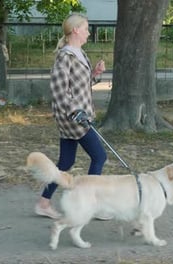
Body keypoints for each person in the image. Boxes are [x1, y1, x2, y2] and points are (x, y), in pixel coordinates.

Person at [34, 13, 107, 219]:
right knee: (99, 156)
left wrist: (95, 74)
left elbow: (80, 88)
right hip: (73, 119)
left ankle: (43, 202)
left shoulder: (80, 54)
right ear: (76, 30)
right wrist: (75, 111)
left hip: (79, 115)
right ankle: (90, 203)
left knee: (66, 162)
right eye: (86, 28)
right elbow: (58, 90)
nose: (88, 32)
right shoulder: (65, 56)